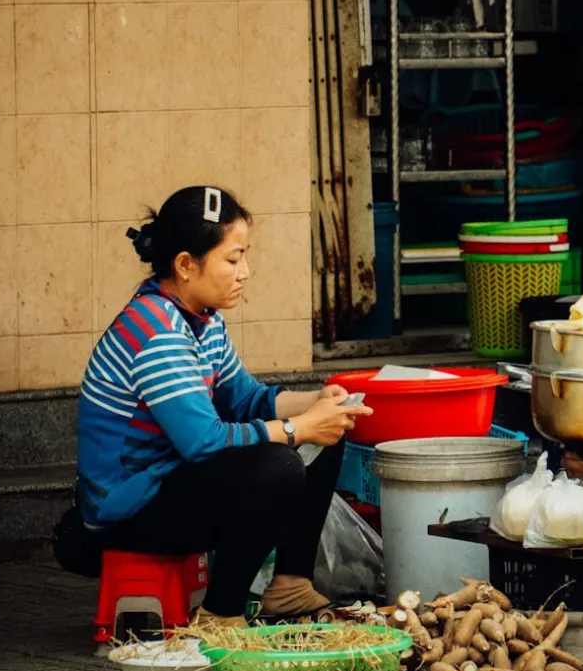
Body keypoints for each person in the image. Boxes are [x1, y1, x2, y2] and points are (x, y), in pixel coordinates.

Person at [65, 184, 372, 629]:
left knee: (328, 434)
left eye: (244, 257)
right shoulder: (157, 331)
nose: (245, 272)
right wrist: (298, 428)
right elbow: (204, 442)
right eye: (232, 259)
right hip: (127, 513)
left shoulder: (203, 319)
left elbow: (246, 400)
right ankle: (222, 613)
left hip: (171, 483)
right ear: (185, 265)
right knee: (279, 465)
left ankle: (290, 585)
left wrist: (319, 403)